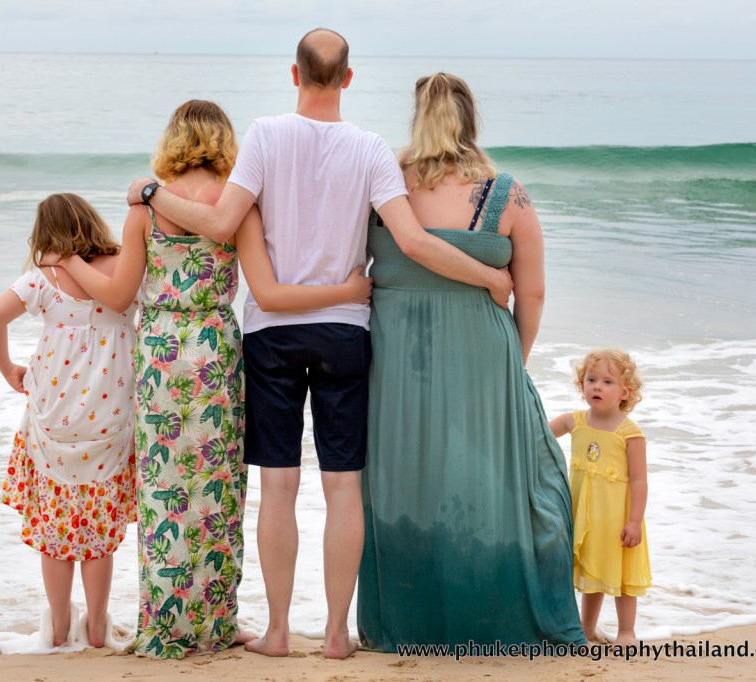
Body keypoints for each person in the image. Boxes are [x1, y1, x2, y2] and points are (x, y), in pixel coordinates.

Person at [126, 31, 512, 659]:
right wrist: (491, 277)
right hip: (345, 331)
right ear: (349, 78)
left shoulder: (265, 135)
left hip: (272, 336)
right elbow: (414, 242)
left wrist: (151, 194)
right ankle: (336, 633)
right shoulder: (371, 149)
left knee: (278, 487)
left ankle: (278, 632)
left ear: (294, 74)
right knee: (342, 488)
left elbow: (220, 223)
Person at [46, 100, 370, 658]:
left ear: (172, 140)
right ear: (224, 142)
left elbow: (119, 297)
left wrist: (70, 262)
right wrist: (346, 292)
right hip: (215, 354)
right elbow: (268, 293)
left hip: (161, 357)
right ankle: (216, 624)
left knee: (163, 490)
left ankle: (166, 625)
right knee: (216, 491)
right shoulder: (238, 207)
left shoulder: (146, 210)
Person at [357, 73, 586, 649]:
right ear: (471, 118)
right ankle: (493, 613)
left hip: (396, 354)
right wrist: (515, 361)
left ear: (417, 117)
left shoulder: (385, 185)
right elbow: (532, 292)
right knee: (494, 482)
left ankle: (407, 624)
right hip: (484, 350)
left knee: (407, 480)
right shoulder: (506, 193)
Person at [0, 193, 137, 649]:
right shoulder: (125, 268)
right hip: (110, 417)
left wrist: (7, 368)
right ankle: (97, 627)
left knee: (56, 530)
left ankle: (57, 628)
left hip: (54, 417)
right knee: (98, 532)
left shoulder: (43, 278)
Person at [549, 349, 651, 645]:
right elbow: (536, 435)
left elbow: (639, 481)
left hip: (617, 517)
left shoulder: (630, 433)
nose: (597, 386)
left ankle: (626, 632)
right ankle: (587, 629)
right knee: (591, 572)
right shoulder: (574, 421)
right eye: (591, 380)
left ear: (624, 392)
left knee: (623, 575)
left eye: (607, 382)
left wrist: (634, 521)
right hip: (584, 515)